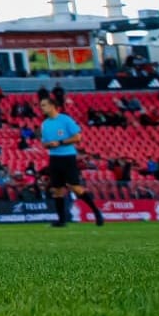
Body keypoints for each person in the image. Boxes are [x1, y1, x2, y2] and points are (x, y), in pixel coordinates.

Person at [39, 95, 105, 228]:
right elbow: (44, 143)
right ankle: (61, 220)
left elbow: (77, 137)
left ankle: (97, 212)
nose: (42, 108)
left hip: (68, 157)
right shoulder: (45, 124)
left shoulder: (65, 119)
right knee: (57, 189)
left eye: (44, 105)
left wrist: (60, 142)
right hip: (54, 158)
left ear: (52, 106)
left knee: (75, 187)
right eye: (41, 105)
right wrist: (48, 145)